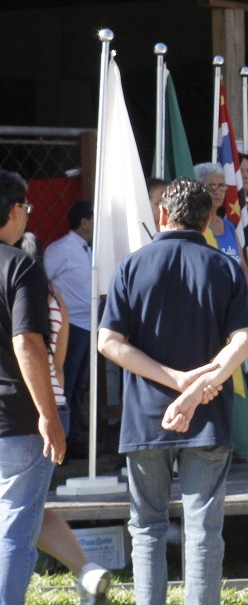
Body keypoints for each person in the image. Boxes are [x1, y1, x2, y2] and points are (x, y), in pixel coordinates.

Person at [97, 178, 248, 605]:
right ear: (207, 221)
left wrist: (174, 380)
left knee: (147, 527)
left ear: (162, 214)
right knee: (203, 529)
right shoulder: (224, 267)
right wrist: (199, 385)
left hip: (145, 416)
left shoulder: (130, 267)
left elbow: (108, 343)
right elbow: (244, 341)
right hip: (208, 416)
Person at [20, 233, 111, 604]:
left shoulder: (14, 293)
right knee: (29, 508)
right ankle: (87, 570)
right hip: (52, 404)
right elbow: (57, 367)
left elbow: (24, 350)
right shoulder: (56, 299)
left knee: (21, 509)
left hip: (19, 410)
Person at [0, 172, 65, 605]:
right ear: (13, 210)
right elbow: (27, 342)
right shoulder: (20, 265)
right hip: (16, 418)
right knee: (15, 530)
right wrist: (49, 414)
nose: (27, 215)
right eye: (26, 206)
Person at [42, 200, 93, 453]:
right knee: (67, 383)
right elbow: (43, 280)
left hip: (89, 324)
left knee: (79, 384)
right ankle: (63, 438)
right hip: (69, 326)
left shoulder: (89, 249)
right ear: (84, 222)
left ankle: (73, 437)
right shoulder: (61, 249)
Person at [193, 162, 239, 264]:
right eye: (211, 187)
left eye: (221, 186)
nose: (217, 192)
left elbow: (243, 267)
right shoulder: (192, 227)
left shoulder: (229, 227)